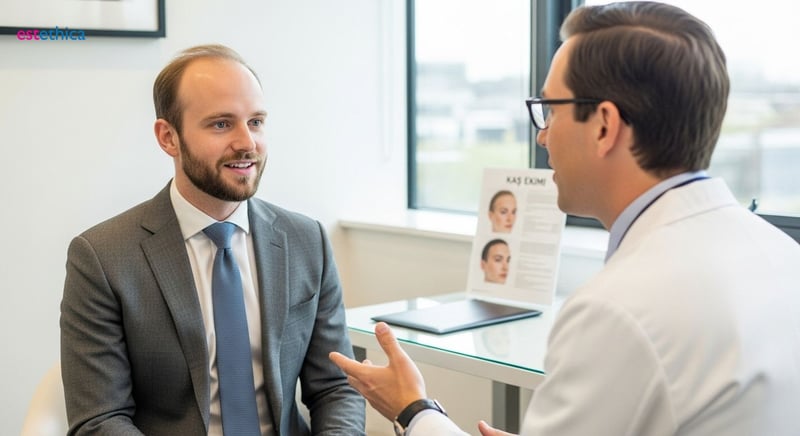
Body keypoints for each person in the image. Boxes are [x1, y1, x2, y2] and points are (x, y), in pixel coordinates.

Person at [329, 2, 800, 435]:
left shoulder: (617, 309)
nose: (543, 137)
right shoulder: (782, 254)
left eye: (549, 111)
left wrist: (414, 409)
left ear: (603, 126)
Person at [60, 44, 366, 435]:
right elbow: (100, 419)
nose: (247, 143)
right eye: (222, 124)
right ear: (168, 137)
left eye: (255, 122)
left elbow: (336, 388)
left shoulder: (307, 240)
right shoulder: (102, 258)